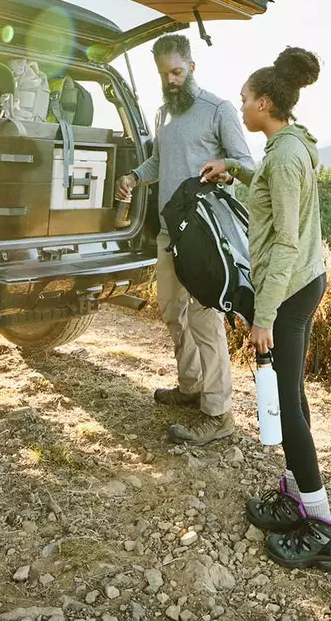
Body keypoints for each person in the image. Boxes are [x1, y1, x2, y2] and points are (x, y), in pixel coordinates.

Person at [201, 47, 331, 571]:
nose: (239, 108)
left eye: (244, 100)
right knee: (292, 396)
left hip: (289, 290)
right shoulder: (288, 144)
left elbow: (284, 242)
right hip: (304, 283)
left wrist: (263, 316)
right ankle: (294, 492)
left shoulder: (285, 156)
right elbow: (269, 184)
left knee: (286, 405)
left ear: (264, 102)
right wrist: (233, 169)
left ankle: (323, 526)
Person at [114, 33, 255, 446]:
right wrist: (134, 177)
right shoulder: (163, 115)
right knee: (173, 311)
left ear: (192, 67)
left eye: (177, 71)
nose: (171, 80)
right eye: (164, 75)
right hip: (168, 232)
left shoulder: (219, 109)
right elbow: (160, 159)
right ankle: (191, 386)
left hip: (205, 237)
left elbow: (245, 164)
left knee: (203, 318)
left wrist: (225, 166)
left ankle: (218, 412)